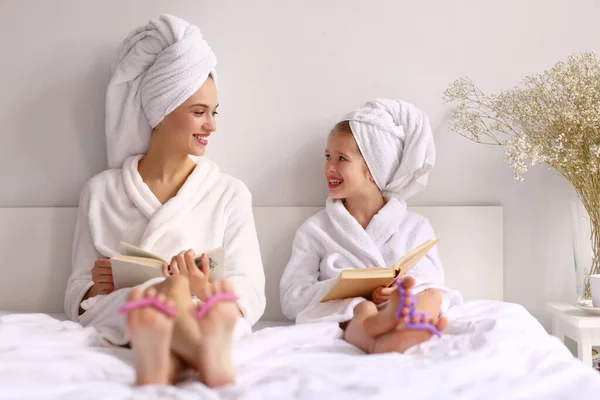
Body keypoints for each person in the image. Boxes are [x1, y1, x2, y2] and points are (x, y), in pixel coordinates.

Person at [64, 14, 265, 387]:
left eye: (213, 112)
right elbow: (76, 293)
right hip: (125, 309)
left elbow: (250, 288)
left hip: (200, 305)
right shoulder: (100, 192)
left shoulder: (229, 193)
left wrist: (200, 288)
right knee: (164, 293)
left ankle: (162, 358)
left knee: (177, 295)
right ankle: (206, 353)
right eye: (199, 112)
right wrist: (96, 286)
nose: (212, 126)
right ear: (160, 113)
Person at [279, 99, 462, 354]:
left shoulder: (416, 227)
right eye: (328, 156)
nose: (329, 167)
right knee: (361, 308)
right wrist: (349, 291)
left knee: (432, 295)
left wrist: (396, 294)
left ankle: (406, 326)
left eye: (341, 158)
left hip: (402, 307)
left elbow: (432, 280)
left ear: (373, 169)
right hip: (350, 316)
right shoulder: (315, 231)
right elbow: (292, 298)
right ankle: (375, 332)